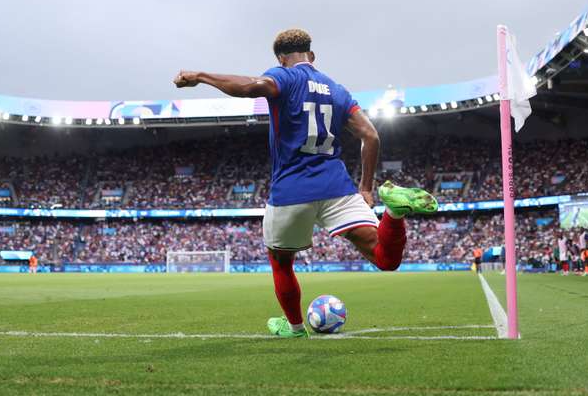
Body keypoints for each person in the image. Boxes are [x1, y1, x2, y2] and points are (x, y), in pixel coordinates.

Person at [174, 28, 438, 337]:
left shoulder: (284, 76)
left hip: (292, 189)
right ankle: (394, 214)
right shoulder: (337, 90)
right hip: (337, 186)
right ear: (311, 56)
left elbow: (251, 87)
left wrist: (203, 76)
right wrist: (366, 188)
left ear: (282, 58)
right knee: (383, 255)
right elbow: (371, 135)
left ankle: (296, 327)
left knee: (281, 261)